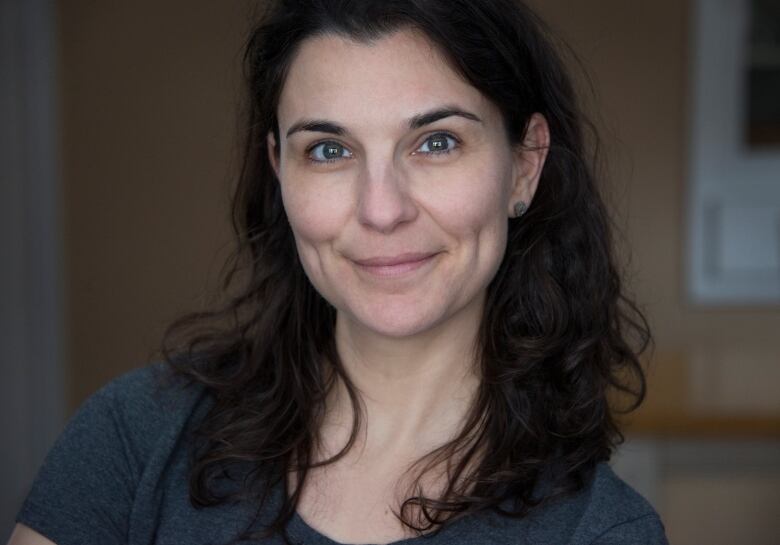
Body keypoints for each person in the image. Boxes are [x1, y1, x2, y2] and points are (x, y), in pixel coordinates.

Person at [9, 0, 668, 544]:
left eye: (436, 141)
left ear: (524, 165)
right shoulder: (136, 437)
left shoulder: (602, 531)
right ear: (279, 169)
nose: (381, 208)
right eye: (328, 150)